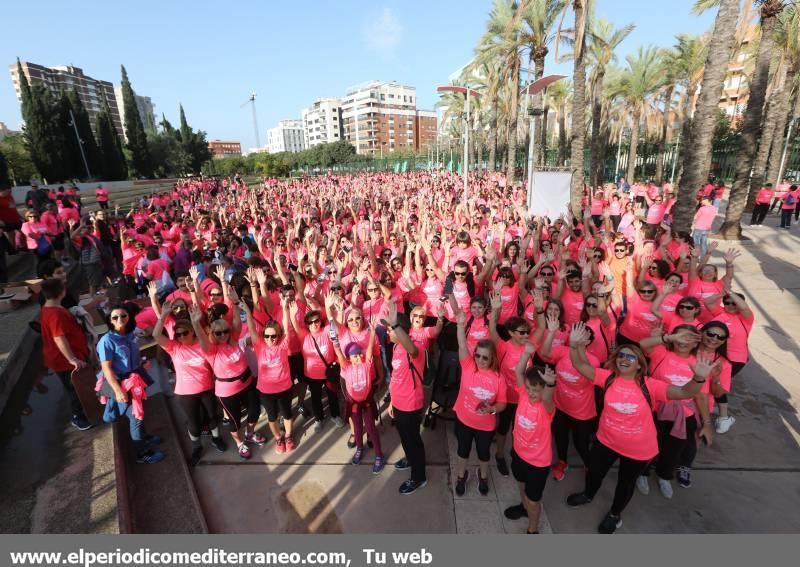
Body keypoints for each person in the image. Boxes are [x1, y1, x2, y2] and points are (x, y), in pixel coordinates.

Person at [565, 323, 717, 534]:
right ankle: (588, 494)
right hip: (605, 441)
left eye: (631, 357)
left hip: (637, 449)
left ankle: (614, 514)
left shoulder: (650, 385)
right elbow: (580, 366)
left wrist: (699, 378)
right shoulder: (607, 377)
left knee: (625, 483)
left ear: (639, 365)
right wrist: (574, 345)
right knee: (594, 473)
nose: (624, 359)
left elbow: (683, 392)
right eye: (621, 356)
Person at [153, 303, 226, 465]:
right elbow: (156, 335)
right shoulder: (174, 347)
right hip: (185, 393)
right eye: (178, 334)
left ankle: (216, 439)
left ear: (192, 332)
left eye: (185, 333)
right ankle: (197, 447)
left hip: (207, 388)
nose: (181, 337)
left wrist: (195, 322)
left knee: (212, 417)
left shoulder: (202, 344)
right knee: (193, 422)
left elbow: (207, 343)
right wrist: (163, 315)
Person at [198, 287, 264, 460]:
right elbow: (203, 341)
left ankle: (250, 434)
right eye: (218, 333)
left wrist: (235, 302)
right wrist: (196, 323)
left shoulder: (233, 340)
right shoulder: (211, 350)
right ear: (212, 333)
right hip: (227, 391)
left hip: (247, 381)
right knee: (235, 421)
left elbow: (236, 322)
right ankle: (240, 443)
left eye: (225, 331)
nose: (223, 335)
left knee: (255, 411)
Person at [97, 304, 165, 464]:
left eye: (123, 316)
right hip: (123, 383)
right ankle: (142, 454)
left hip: (136, 378)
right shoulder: (106, 341)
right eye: (115, 317)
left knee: (140, 412)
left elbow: (130, 357)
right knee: (136, 417)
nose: (120, 319)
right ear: (110, 321)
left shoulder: (130, 335)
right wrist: (118, 390)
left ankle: (145, 437)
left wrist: (141, 363)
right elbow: (107, 369)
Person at [503, 342, 556, 534]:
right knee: (521, 485)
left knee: (534, 501)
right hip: (519, 454)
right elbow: (518, 372)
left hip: (537, 463)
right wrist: (526, 353)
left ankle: (532, 530)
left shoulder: (547, 407)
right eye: (529, 388)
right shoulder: (523, 395)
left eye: (536, 390)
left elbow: (549, 397)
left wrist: (549, 383)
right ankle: (523, 507)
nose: (532, 393)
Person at [453, 309, 507, 496]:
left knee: (484, 453)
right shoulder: (468, 366)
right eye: (478, 355)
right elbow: (461, 345)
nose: (481, 360)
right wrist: (460, 325)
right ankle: (461, 475)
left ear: (492, 358)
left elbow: (502, 403)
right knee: (462, 451)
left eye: (485, 357)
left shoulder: (499, 378)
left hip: (486, 425)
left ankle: (482, 475)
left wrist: (492, 409)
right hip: (464, 420)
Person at [386, 301, 431, 495]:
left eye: (391, 330)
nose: (388, 333)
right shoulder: (396, 348)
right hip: (399, 403)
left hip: (411, 404)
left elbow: (412, 350)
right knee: (404, 437)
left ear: (401, 331)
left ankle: (419, 477)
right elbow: (397, 377)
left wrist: (396, 325)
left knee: (413, 440)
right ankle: (410, 459)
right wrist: (391, 401)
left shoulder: (416, 347)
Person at [242, 295, 297, 453]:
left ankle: (288, 436)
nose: (270, 339)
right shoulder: (259, 345)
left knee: (287, 413)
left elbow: (287, 328)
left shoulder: (283, 345)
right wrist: (247, 311)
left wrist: (285, 307)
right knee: (272, 417)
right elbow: (252, 329)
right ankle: (278, 438)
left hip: (285, 388)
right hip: (266, 391)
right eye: (267, 336)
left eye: (274, 336)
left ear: (278, 336)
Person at [39, 278, 92, 431]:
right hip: (63, 360)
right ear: (62, 292)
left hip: (61, 358)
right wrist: (72, 359)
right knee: (74, 388)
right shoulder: (55, 314)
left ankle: (84, 411)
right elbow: (59, 337)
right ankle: (77, 416)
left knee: (75, 388)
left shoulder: (48, 308)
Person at [332, 324, 385, 473]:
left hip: (367, 403)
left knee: (371, 428)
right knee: (357, 428)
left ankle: (379, 455)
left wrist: (373, 333)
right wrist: (335, 342)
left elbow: (369, 351)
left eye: (359, 354)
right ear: (349, 358)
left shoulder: (367, 365)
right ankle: (360, 448)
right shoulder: (346, 367)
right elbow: (339, 354)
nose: (359, 356)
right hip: (354, 404)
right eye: (355, 355)